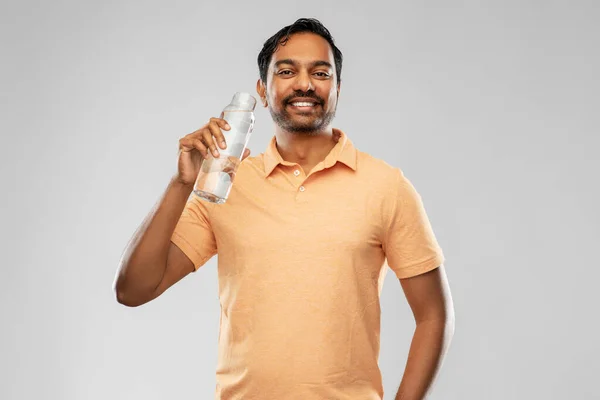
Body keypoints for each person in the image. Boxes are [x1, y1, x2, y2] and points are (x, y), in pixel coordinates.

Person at [114, 17, 455, 400]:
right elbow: (133, 289)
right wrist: (181, 185)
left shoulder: (386, 186)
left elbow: (433, 316)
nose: (305, 84)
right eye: (287, 71)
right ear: (262, 90)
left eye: (320, 72)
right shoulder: (226, 184)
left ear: (338, 88)